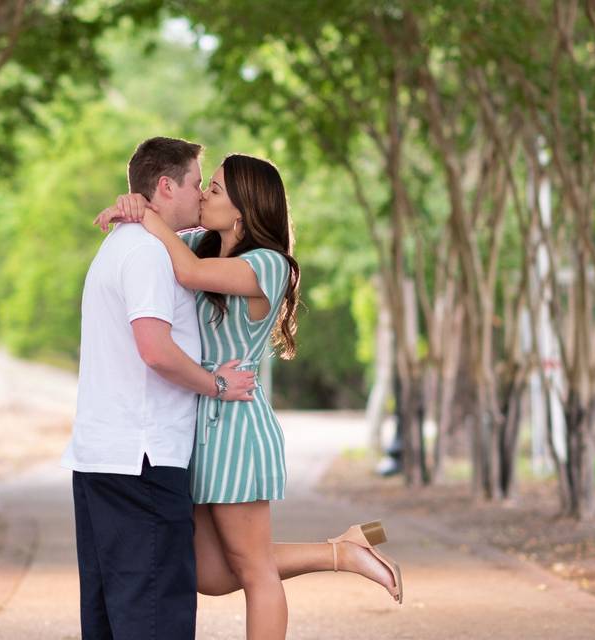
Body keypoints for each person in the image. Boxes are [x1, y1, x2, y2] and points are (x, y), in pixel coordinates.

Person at [96, 152, 403, 639]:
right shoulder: (200, 244)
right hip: (197, 423)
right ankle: (340, 552)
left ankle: (344, 553)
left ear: (242, 210)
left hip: (236, 426)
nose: (202, 195)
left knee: (255, 570)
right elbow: (169, 241)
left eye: (214, 189)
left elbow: (188, 273)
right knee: (207, 574)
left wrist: (150, 217)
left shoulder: (268, 264)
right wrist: (135, 203)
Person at [60, 137, 258, 640]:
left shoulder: (127, 243)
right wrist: (217, 383)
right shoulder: (148, 254)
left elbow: (191, 242)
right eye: (197, 183)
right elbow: (155, 350)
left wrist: (135, 206)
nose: (200, 195)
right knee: (155, 620)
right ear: (166, 185)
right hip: (143, 462)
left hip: (105, 460)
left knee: (110, 618)